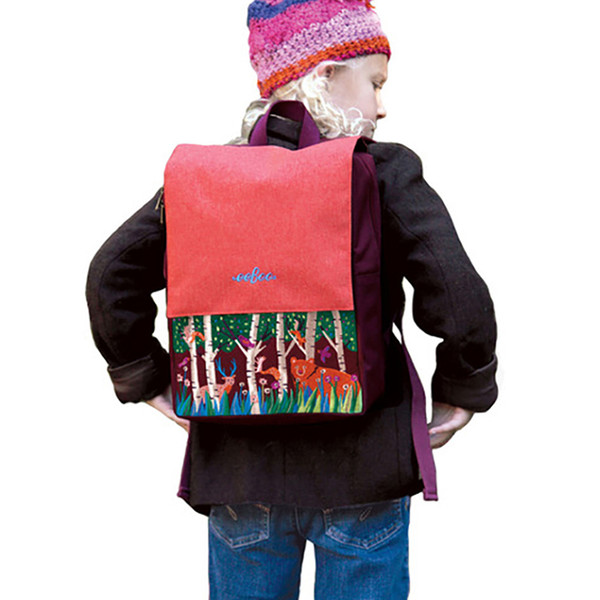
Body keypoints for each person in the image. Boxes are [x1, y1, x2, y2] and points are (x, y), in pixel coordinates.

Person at [86, 1, 498, 598]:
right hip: (364, 471)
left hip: (238, 474)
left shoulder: (206, 180)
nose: (383, 105)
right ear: (326, 75)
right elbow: (458, 292)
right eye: (375, 83)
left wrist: (147, 378)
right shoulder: (383, 172)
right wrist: (462, 390)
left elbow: (109, 275)